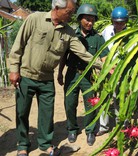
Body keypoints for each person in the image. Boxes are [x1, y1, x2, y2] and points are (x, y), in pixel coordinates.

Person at [8, 0, 103, 155]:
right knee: (22, 112)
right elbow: (18, 45)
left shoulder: (69, 32)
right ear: (57, 8)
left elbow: (83, 53)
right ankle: (23, 145)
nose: (72, 16)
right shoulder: (35, 19)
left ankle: (45, 144)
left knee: (47, 114)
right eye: (69, 12)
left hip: (46, 79)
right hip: (26, 75)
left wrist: (104, 66)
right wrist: (14, 70)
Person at [57, 3, 109, 146]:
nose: (90, 22)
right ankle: (72, 129)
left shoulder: (98, 38)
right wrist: (60, 73)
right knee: (69, 103)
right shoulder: (71, 35)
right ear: (80, 19)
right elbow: (63, 56)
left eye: (92, 19)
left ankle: (90, 131)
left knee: (90, 104)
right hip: (72, 74)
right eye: (87, 19)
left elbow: (104, 57)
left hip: (89, 76)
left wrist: (109, 69)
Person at [96, 6, 129, 136]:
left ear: (126, 21)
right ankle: (103, 126)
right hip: (106, 70)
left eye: (122, 22)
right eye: (116, 22)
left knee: (119, 99)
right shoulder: (107, 30)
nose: (119, 25)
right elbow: (102, 46)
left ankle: (122, 125)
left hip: (122, 72)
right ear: (112, 21)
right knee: (104, 98)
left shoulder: (131, 34)